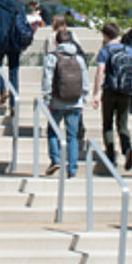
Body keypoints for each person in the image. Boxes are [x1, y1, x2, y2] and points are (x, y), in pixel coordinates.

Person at [41, 27, 89, 177]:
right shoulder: (79, 58)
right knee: (72, 135)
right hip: (75, 101)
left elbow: (47, 78)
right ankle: (72, 168)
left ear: (56, 41)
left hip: (57, 100)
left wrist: (47, 96)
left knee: (52, 131)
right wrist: (84, 97)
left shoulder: (52, 57)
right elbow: (85, 80)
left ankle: (55, 159)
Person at [91, 22, 132, 171]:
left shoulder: (105, 51)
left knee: (108, 124)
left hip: (110, 90)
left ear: (105, 35)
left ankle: (111, 156)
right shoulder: (128, 50)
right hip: (126, 91)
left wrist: (96, 93)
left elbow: (100, 72)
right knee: (123, 124)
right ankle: (127, 148)